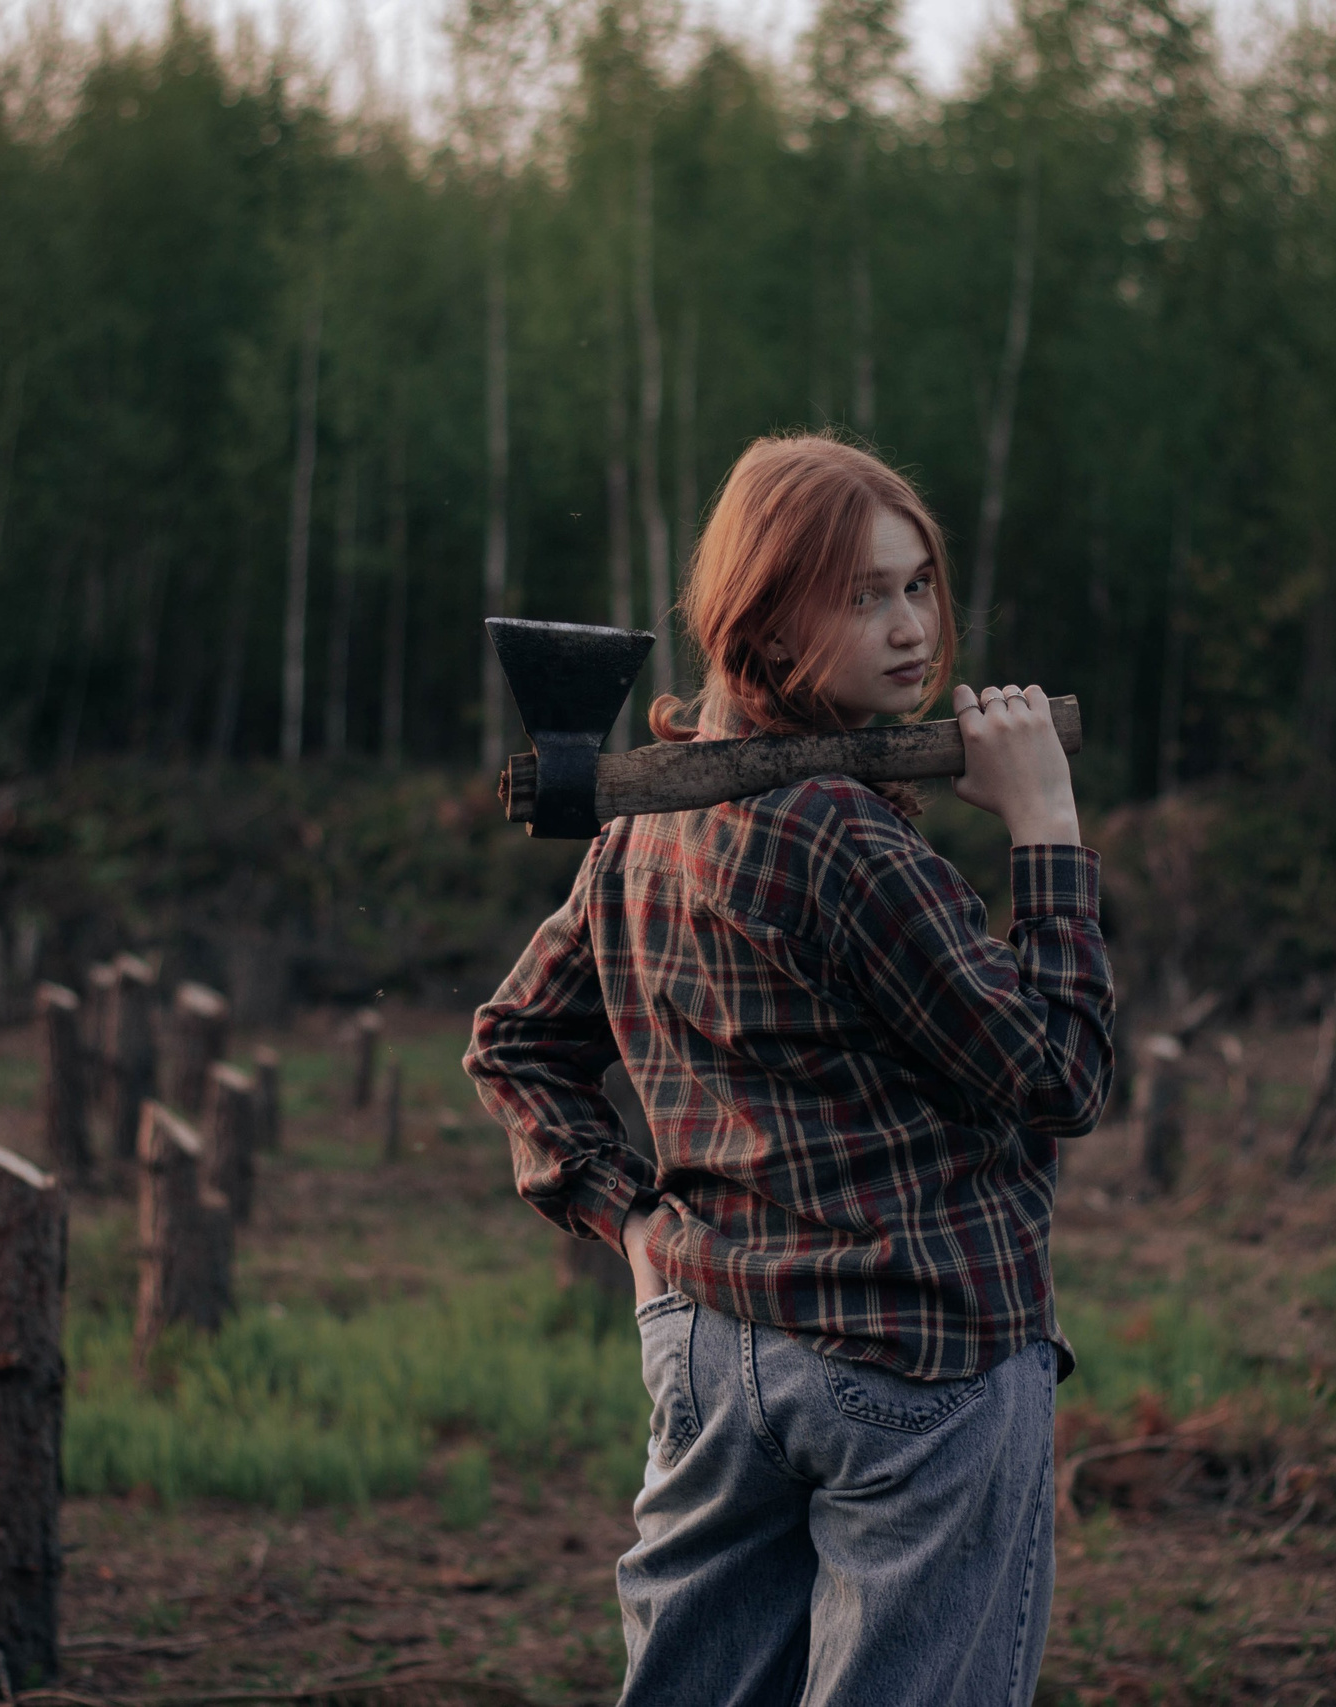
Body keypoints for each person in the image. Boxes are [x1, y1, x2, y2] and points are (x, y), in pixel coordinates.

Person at [464, 431, 1114, 1707]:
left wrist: (631, 1224)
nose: (909, 628)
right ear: (760, 619)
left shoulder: (652, 813)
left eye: (918, 584)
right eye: (860, 595)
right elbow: (1059, 1077)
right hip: (911, 1366)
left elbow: (513, 1040)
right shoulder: (843, 841)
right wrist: (1046, 826)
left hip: (712, 1352)